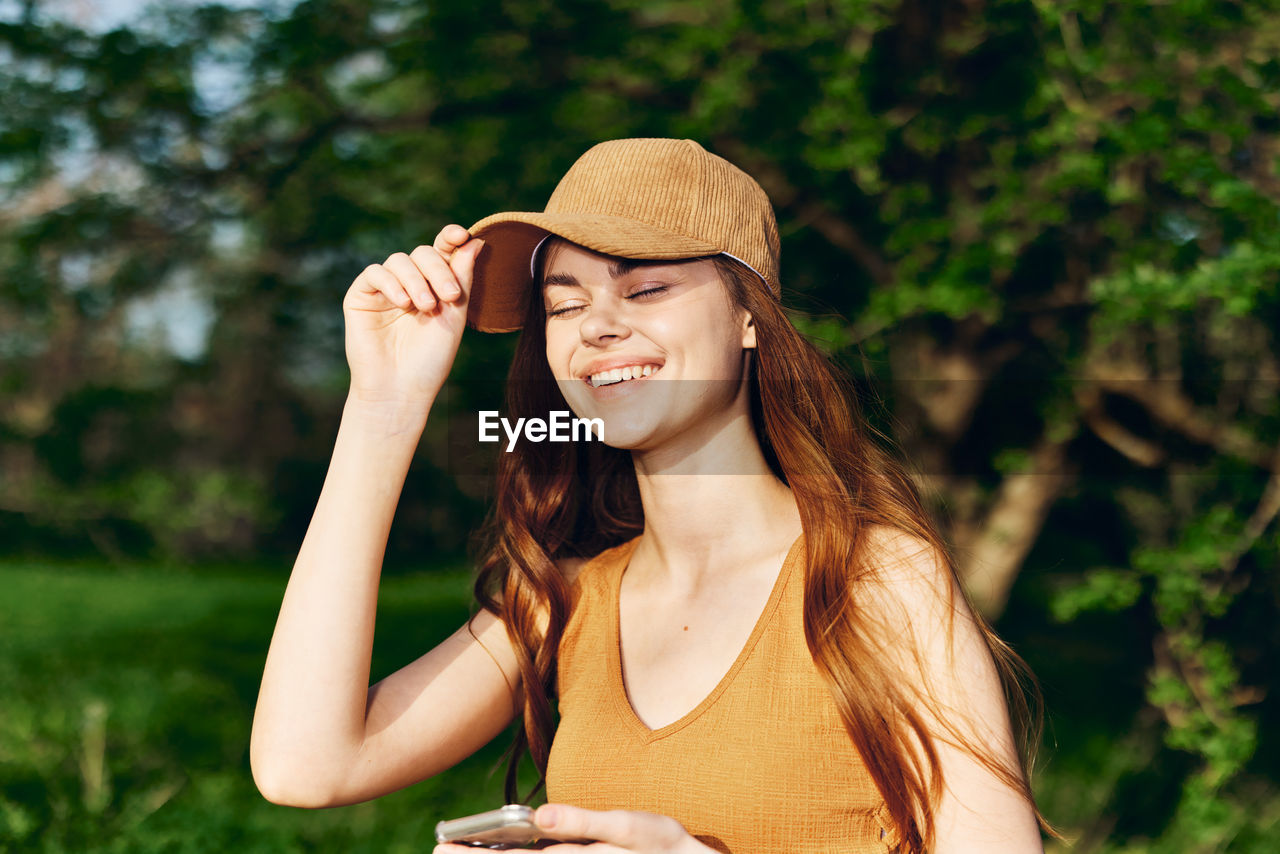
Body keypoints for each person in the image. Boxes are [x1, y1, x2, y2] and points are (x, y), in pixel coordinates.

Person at [250, 138, 1050, 853]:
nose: (595, 326)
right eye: (564, 304)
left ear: (748, 318)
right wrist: (384, 406)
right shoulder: (564, 599)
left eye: (646, 290)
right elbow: (304, 766)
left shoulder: (875, 580)